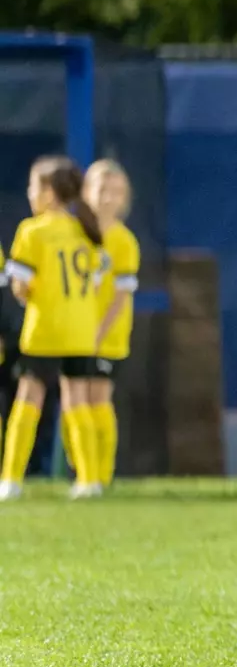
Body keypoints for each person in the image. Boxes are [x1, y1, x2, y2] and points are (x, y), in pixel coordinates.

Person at [1, 157, 106, 501]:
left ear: (48, 192)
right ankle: (90, 480)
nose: (30, 194)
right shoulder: (87, 231)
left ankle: (11, 479)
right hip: (81, 331)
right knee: (77, 400)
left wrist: (27, 293)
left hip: (45, 330)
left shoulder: (33, 231)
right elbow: (96, 280)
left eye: (33, 187)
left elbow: (20, 285)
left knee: (29, 397)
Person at [84, 159, 139, 492]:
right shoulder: (77, 235)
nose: (107, 198)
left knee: (99, 397)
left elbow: (120, 296)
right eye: (101, 189)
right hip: (74, 332)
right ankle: (83, 471)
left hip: (108, 333)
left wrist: (99, 332)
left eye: (116, 192)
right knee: (75, 400)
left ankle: (102, 475)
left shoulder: (123, 241)